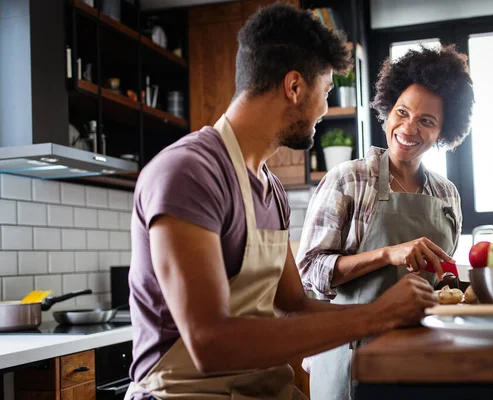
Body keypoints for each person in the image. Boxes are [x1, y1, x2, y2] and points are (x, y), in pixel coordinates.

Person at [125, 4, 439, 400]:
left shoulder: (269, 188)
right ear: (294, 87)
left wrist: (399, 318)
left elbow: (294, 308)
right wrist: (378, 314)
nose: (324, 109)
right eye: (325, 91)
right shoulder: (188, 172)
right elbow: (210, 342)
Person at [297, 44, 475, 400]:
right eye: (402, 112)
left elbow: (444, 280)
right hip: (349, 356)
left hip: (420, 357)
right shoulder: (348, 180)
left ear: (443, 131)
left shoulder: (447, 194)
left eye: (426, 121)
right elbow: (309, 271)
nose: (408, 128)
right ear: (387, 109)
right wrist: (386, 254)